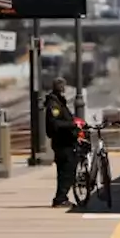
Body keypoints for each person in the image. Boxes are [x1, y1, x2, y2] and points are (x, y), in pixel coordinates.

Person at [44, 77, 79, 207]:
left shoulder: (59, 101)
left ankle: (61, 197)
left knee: (66, 171)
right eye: (61, 85)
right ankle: (60, 198)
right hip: (62, 142)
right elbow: (55, 123)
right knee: (67, 171)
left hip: (65, 141)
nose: (63, 88)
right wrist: (72, 124)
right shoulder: (54, 104)